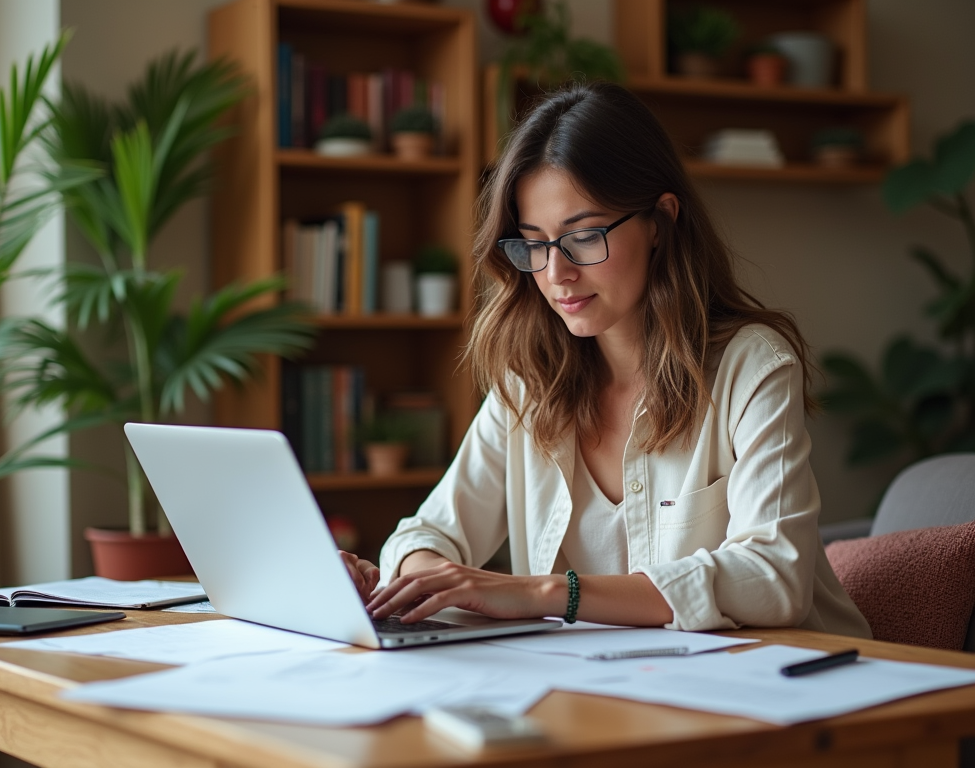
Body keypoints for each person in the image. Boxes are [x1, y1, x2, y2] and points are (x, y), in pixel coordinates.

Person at [341, 81, 871, 638]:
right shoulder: (530, 381)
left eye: (584, 236)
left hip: (792, 685)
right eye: (535, 243)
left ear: (661, 222)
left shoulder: (753, 368)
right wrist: (427, 580)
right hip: (616, 691)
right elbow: (429, 533)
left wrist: (545, 593)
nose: (556, 273)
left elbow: (773, 576)